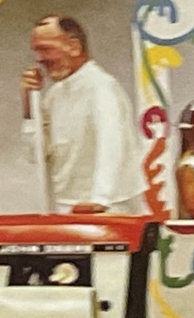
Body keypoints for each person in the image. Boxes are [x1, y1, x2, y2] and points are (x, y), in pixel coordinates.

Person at [20, 14, 140, 214]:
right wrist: (28, 104)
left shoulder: (101, 86)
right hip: (65, 204)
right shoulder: (55, 95)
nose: (39, 59)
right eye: (36, 51)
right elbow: (37, 155)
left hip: (106, 207)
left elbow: (112, 144)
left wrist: (100, 199)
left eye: (45, 49)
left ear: (74, 47)